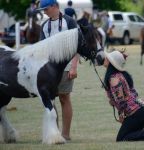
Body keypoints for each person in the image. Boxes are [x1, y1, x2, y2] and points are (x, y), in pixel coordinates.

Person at [38, 0, 79, 141]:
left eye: (46, 9)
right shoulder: (44, 25)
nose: (44, 12)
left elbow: (78, 45)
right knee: (51, 101)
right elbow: (41, 48)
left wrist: (74, 66)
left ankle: (66, 135)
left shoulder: (70, 21)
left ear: (55, 6)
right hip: (49, 70)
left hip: (67, 67)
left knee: (64, 98)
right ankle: (54, 134)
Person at [102, 50, 144, 141]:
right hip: (142, 110)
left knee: (122, 139)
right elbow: (131, 94)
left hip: (136, 113)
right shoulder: (121, 75)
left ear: (111, 62)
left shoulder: (114, 79)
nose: (105, 58)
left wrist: (122, 115)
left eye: (107, 58)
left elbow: (122, 101)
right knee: (132, 136)